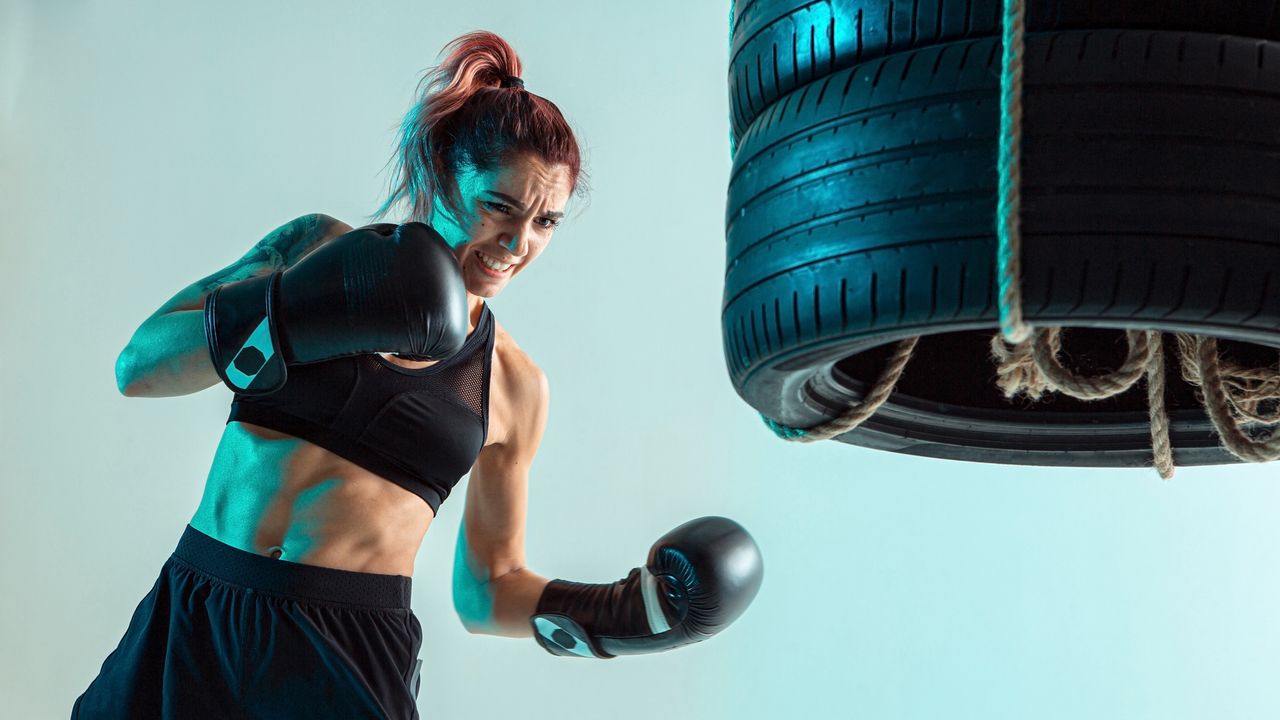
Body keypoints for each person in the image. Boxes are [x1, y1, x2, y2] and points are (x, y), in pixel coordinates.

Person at [72, 30, 762, 720]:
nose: (518, 245)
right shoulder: (314, 249)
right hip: (195, 607)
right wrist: (298, 308)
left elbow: (487, 588)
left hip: (343, 648)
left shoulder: (514, 386)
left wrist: (622, 616)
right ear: (442, 169)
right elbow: (139, 368)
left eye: (546, 221)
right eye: (500, 206)